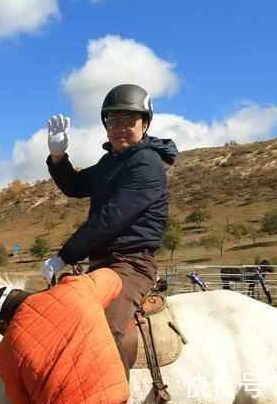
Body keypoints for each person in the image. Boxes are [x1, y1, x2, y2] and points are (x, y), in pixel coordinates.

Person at [41, 83, 178, 375]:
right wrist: (58, 158)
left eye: (129, 120)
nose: (120, 128)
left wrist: (64, 256)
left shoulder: (147, 162)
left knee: (105, 331)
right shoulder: (110, 162)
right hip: (103, 265)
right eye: (113, 120)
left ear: (145, 124)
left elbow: (111, 218)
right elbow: (76, 186)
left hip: (131, 264)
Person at [0, 268, 129, 404]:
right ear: (18, 291)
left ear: (1, 325)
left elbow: (21, 400)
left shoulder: (4, 354)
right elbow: (112, 278)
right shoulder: (77, 288)